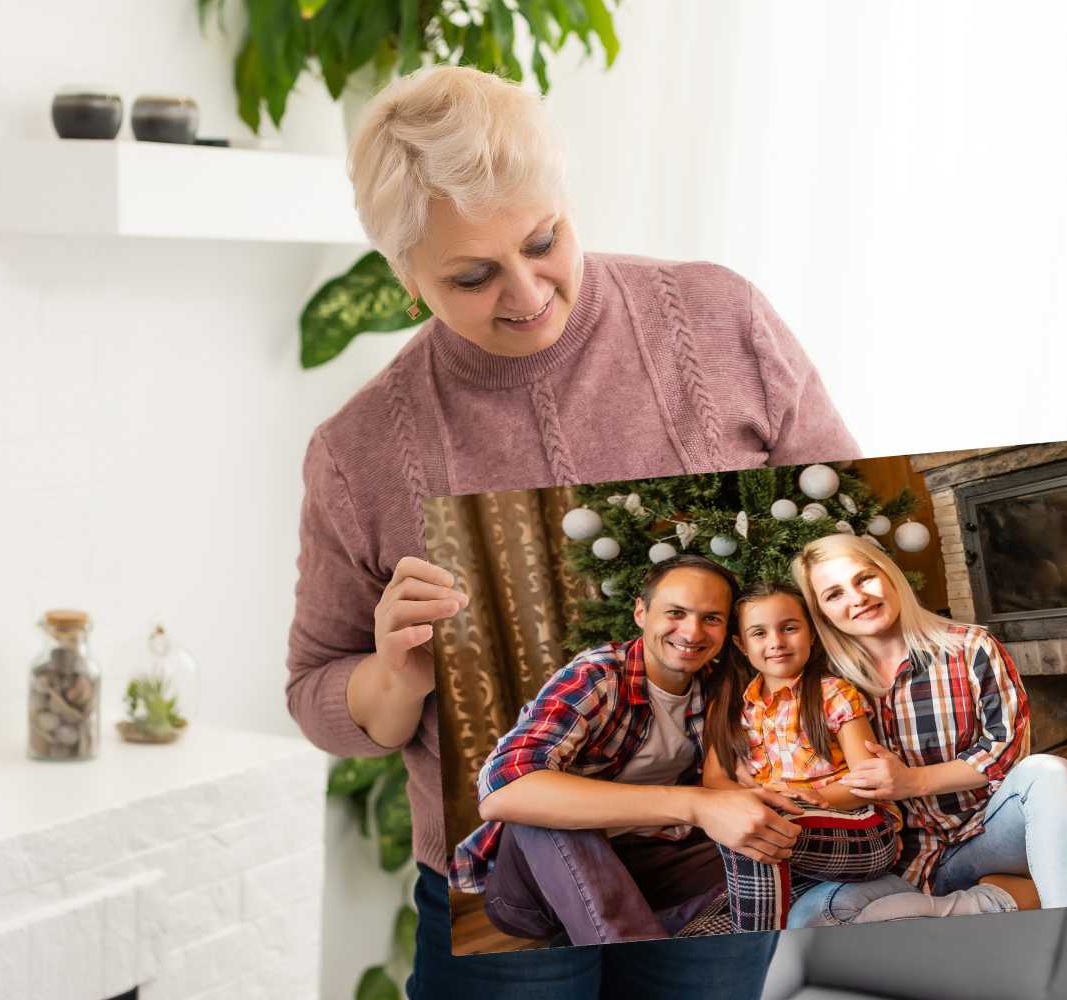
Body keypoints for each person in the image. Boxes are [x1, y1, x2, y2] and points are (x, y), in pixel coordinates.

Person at [285, 64, 859, 1000]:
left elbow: (834, 547)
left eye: (543, 240)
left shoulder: (719, 322)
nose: (525, 293)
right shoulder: (358, 451)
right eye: (471, 276)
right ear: (404, 275)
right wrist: (394, 675)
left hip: (711, 864)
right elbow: (317, 693)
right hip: (504, 892)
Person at [450, 556, 811, 946]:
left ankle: (673, 931)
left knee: (769, 834)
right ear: (641, 611)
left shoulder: (720, 688)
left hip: (649, 865)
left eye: (711, 618)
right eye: (675, 612)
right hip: (537, 887)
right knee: (542, 804)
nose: (692, 632)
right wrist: (694, 803)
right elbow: (503, 788)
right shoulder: (598, 676)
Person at [788, 533, 1067, 921]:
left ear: (889, 575)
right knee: (812, 917)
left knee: (1049, 771)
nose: (857, 598)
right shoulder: (826, 687)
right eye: (834, 594)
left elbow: (1004, 751)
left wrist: (912, 781)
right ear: (821, 613)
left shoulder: (970, 648)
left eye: (864, 578)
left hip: (987, 835)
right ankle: (989, 901)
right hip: (901, 861)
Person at [700, 581, 902, 931]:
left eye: (789, 628)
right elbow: (714, 781)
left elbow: (868, 782)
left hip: (862, 830)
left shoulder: (833, 694)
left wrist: (816, 797)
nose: (776, 642)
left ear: (810, 634)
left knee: (759, 823)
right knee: (697, 932)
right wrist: (758, 796)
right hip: (790, 849)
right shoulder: (730, 708)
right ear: (741, 645)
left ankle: (758, 956)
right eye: (759, 633)